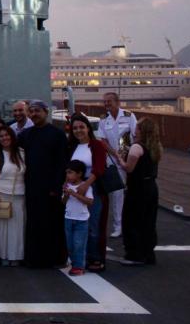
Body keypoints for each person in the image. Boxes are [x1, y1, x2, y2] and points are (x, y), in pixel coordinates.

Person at [19, 100, 68, 268]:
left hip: (51, 188)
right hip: (32, 187)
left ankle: (55, 258)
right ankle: (34, 259)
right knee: (34, 223)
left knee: (52, 224)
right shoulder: (26, 135)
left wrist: (56, 187)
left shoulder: (57, 134)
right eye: (31, 111)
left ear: (46, 112)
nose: (34, 114)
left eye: (37, 111)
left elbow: (62, 163)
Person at [113, 118, 161, 266]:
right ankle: (148, 254)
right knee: (148, 221)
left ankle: (135, 254)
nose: (135, 130)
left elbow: (129, 168)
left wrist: (119, 158)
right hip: (151, 186)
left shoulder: (136, 147)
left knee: (132, 220)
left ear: (141, 130)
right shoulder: (156, 146)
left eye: (138, 128)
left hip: (138, 188)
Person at [67, 113, 109, 272]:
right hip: (75, 189)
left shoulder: (96, 145)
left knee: (93, 225)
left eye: (81, 127)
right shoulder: (72, 146)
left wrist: (86, 184)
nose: (78, 130)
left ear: (88, 128)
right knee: (77, 224)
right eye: (75, 128)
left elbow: (99, 167)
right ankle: (80, 258)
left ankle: (95, 258)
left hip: (93, 188)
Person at [0, 126, 26, 266]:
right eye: (1, 136)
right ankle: (3, 255)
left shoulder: (22, 153)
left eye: (7, 135)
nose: (4, 138)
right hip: (1, 196)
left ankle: (16, 256)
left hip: (19, 197)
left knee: (17, 230)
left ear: (12, 136)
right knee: (2, 230)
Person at [96, 92, 137, 238]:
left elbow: (134, 135)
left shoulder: (128, 116)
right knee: (117, 195)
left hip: (128, 159)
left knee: (131, 194)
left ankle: (131, 224)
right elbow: (102, 141)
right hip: (112, 161)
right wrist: (115, 154)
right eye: (105, 102)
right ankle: (118, 226)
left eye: (109, 101)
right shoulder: (103, 119)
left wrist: (123, 155)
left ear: (117, 102)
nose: (106, 104)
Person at [63, 159, 93, 276]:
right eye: (67, 173)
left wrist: (74, 193)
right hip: (68, 218)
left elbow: (89, 202)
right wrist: (65, 195)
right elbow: (64, 202)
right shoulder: (67, 186)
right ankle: (75, 263)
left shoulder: (85, 187)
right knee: (70, 244)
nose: (68, 175)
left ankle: (79, 266)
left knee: (79, 244)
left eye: (70, 172)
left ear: (79, 174)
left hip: (81, 220)